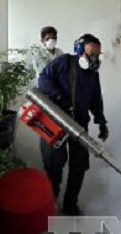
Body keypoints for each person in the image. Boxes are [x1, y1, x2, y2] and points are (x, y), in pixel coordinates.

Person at [38, 34, 109, 216]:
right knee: (54, 163)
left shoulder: (93, 75)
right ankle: (50, 203)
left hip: (79, 123)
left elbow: (96, 99)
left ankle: (70, 205)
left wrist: (101, 121)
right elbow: (43, 80)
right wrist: (59, 97)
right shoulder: (64, 62)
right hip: (56, 121)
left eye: (97, 55)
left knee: (79, 165)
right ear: (79, 49)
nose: (95, 59)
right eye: (92, 53)